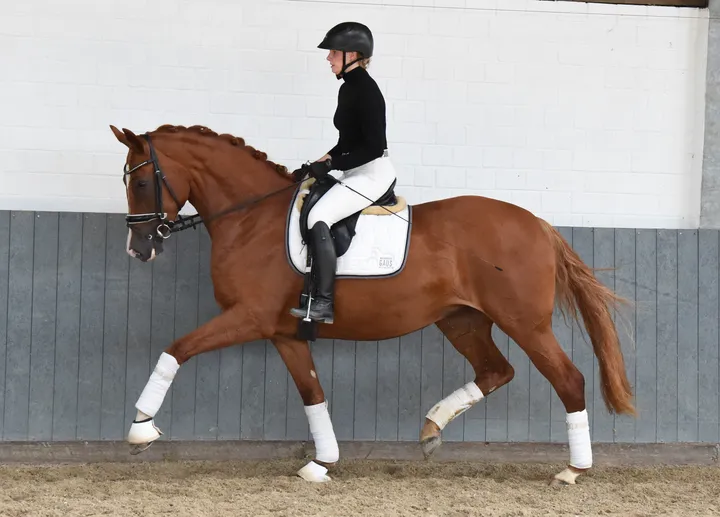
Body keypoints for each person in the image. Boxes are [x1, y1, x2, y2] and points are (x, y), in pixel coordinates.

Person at [289, 21, 397, 324]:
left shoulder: (367, 91)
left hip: (373, 173)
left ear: (353, 54)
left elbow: (374, 147)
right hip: (356, 171)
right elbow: (346, 143)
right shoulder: (349, 88)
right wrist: (315, 165)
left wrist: (332, 165)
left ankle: (323, 303)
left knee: (317, 217)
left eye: (334, 52)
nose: (329, 58)